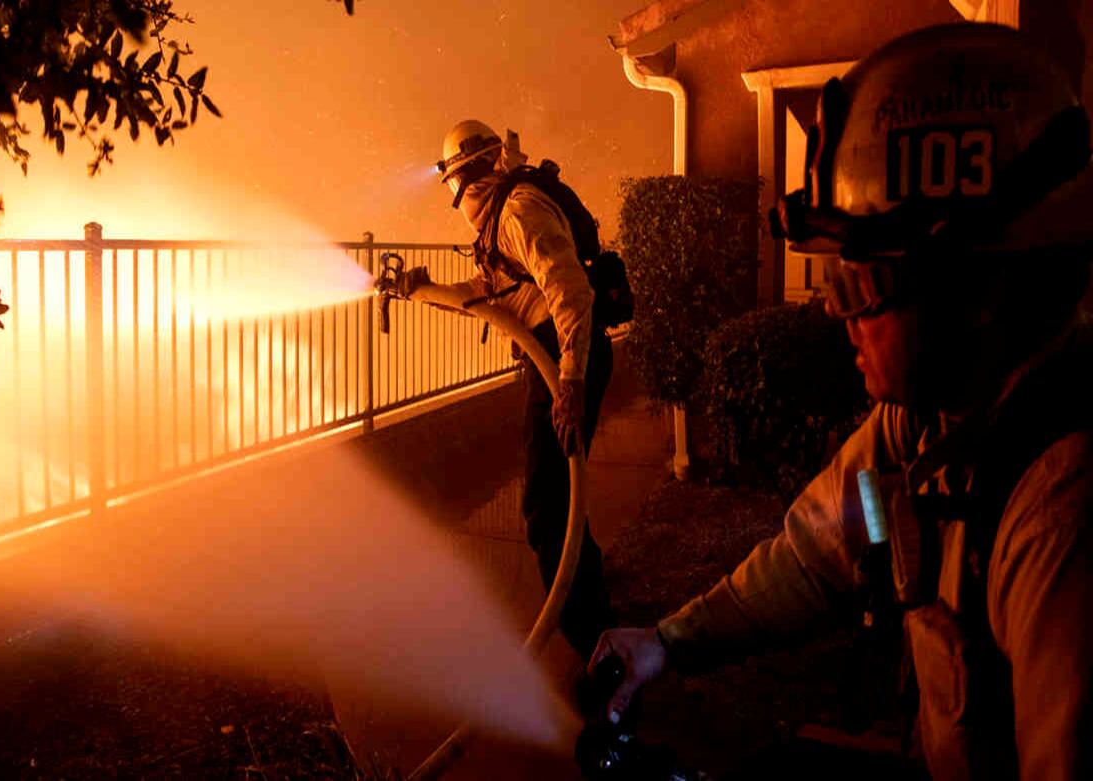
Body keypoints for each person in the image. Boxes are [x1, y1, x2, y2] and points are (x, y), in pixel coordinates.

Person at [591, 22, 1093, 780]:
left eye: (859, 281)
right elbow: (819, 554)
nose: (835, 310)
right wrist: (668, 641)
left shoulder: (1064, 514)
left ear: (975, 291)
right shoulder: (920, 426)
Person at [397, 120, 615, 660]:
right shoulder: (502, 220)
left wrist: (570, 381)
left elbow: (570, 290)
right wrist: (420, 290)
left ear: (468, 177)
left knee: (546, 508)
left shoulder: (517, 210)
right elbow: (488, 293)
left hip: (564, 359)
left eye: (454, 183)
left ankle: (597, 652)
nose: (457, 197)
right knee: (562, 501)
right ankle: (597, 617)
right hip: (559, 358)